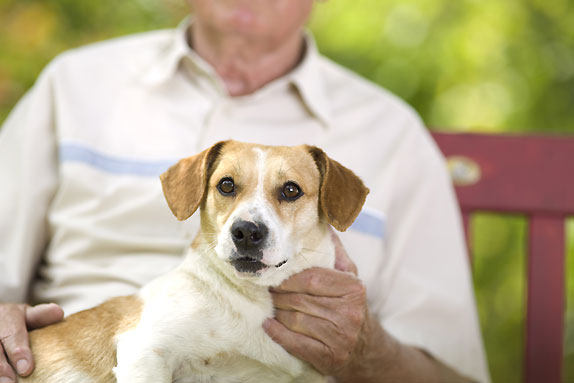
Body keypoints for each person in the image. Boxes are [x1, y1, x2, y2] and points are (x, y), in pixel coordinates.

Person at [0, 1, 490, 382]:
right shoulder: (74, 85)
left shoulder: (394, 135)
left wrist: (364, 350)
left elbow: (454, 372)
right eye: (228, 187)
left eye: (290, 192)